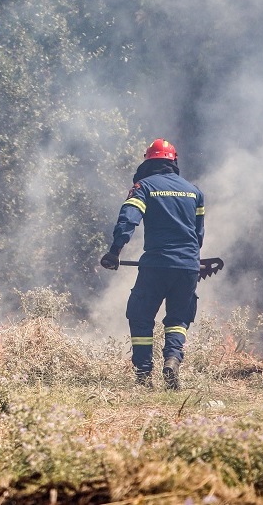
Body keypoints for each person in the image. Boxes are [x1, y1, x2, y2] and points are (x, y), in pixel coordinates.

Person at [100, 138, 205, 390]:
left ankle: (144, 375)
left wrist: (115, 251)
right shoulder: (194, 191)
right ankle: (171, 359)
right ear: (174, 162)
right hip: (188, 264)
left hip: (156, 264)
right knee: (179, 317)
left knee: (140, 316)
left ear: (149, 161)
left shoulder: (144, 187)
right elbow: (198, 235)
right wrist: (188, 259)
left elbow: (128, 220)